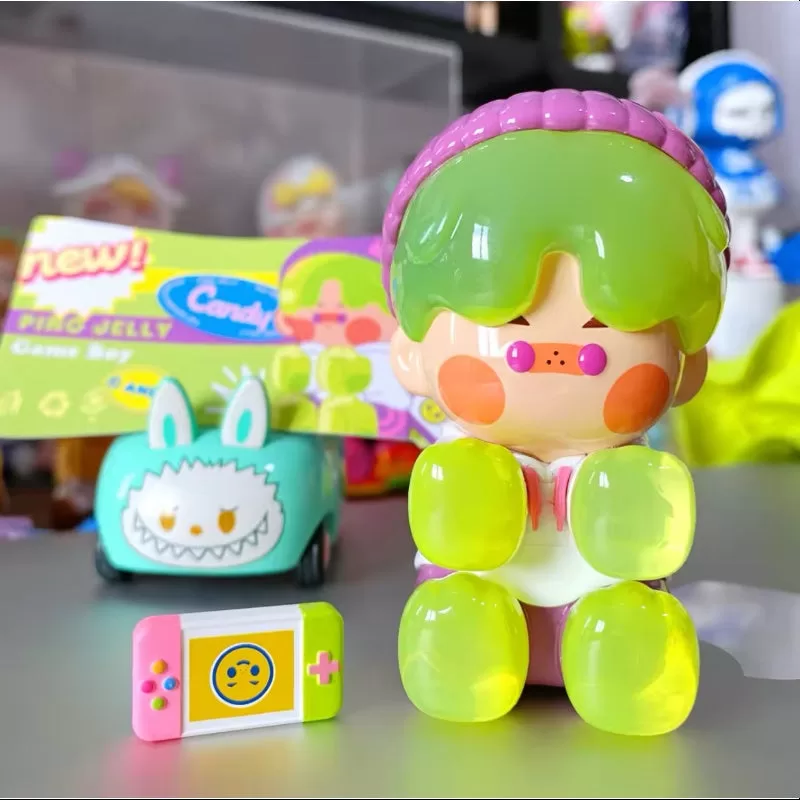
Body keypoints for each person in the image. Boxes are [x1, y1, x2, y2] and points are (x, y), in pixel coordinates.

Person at [383, 89, 729, 735]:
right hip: (483, 589)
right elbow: (447, 530)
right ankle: (466, 651)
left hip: (604, 591)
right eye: (512, 319)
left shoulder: (640, 469)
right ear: (411, 354)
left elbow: (652, 542)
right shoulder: (452, 461)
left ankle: (624, 662)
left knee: (627, 613)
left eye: (605, 325)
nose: (558, 354)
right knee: (461, 600)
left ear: (688, 368)